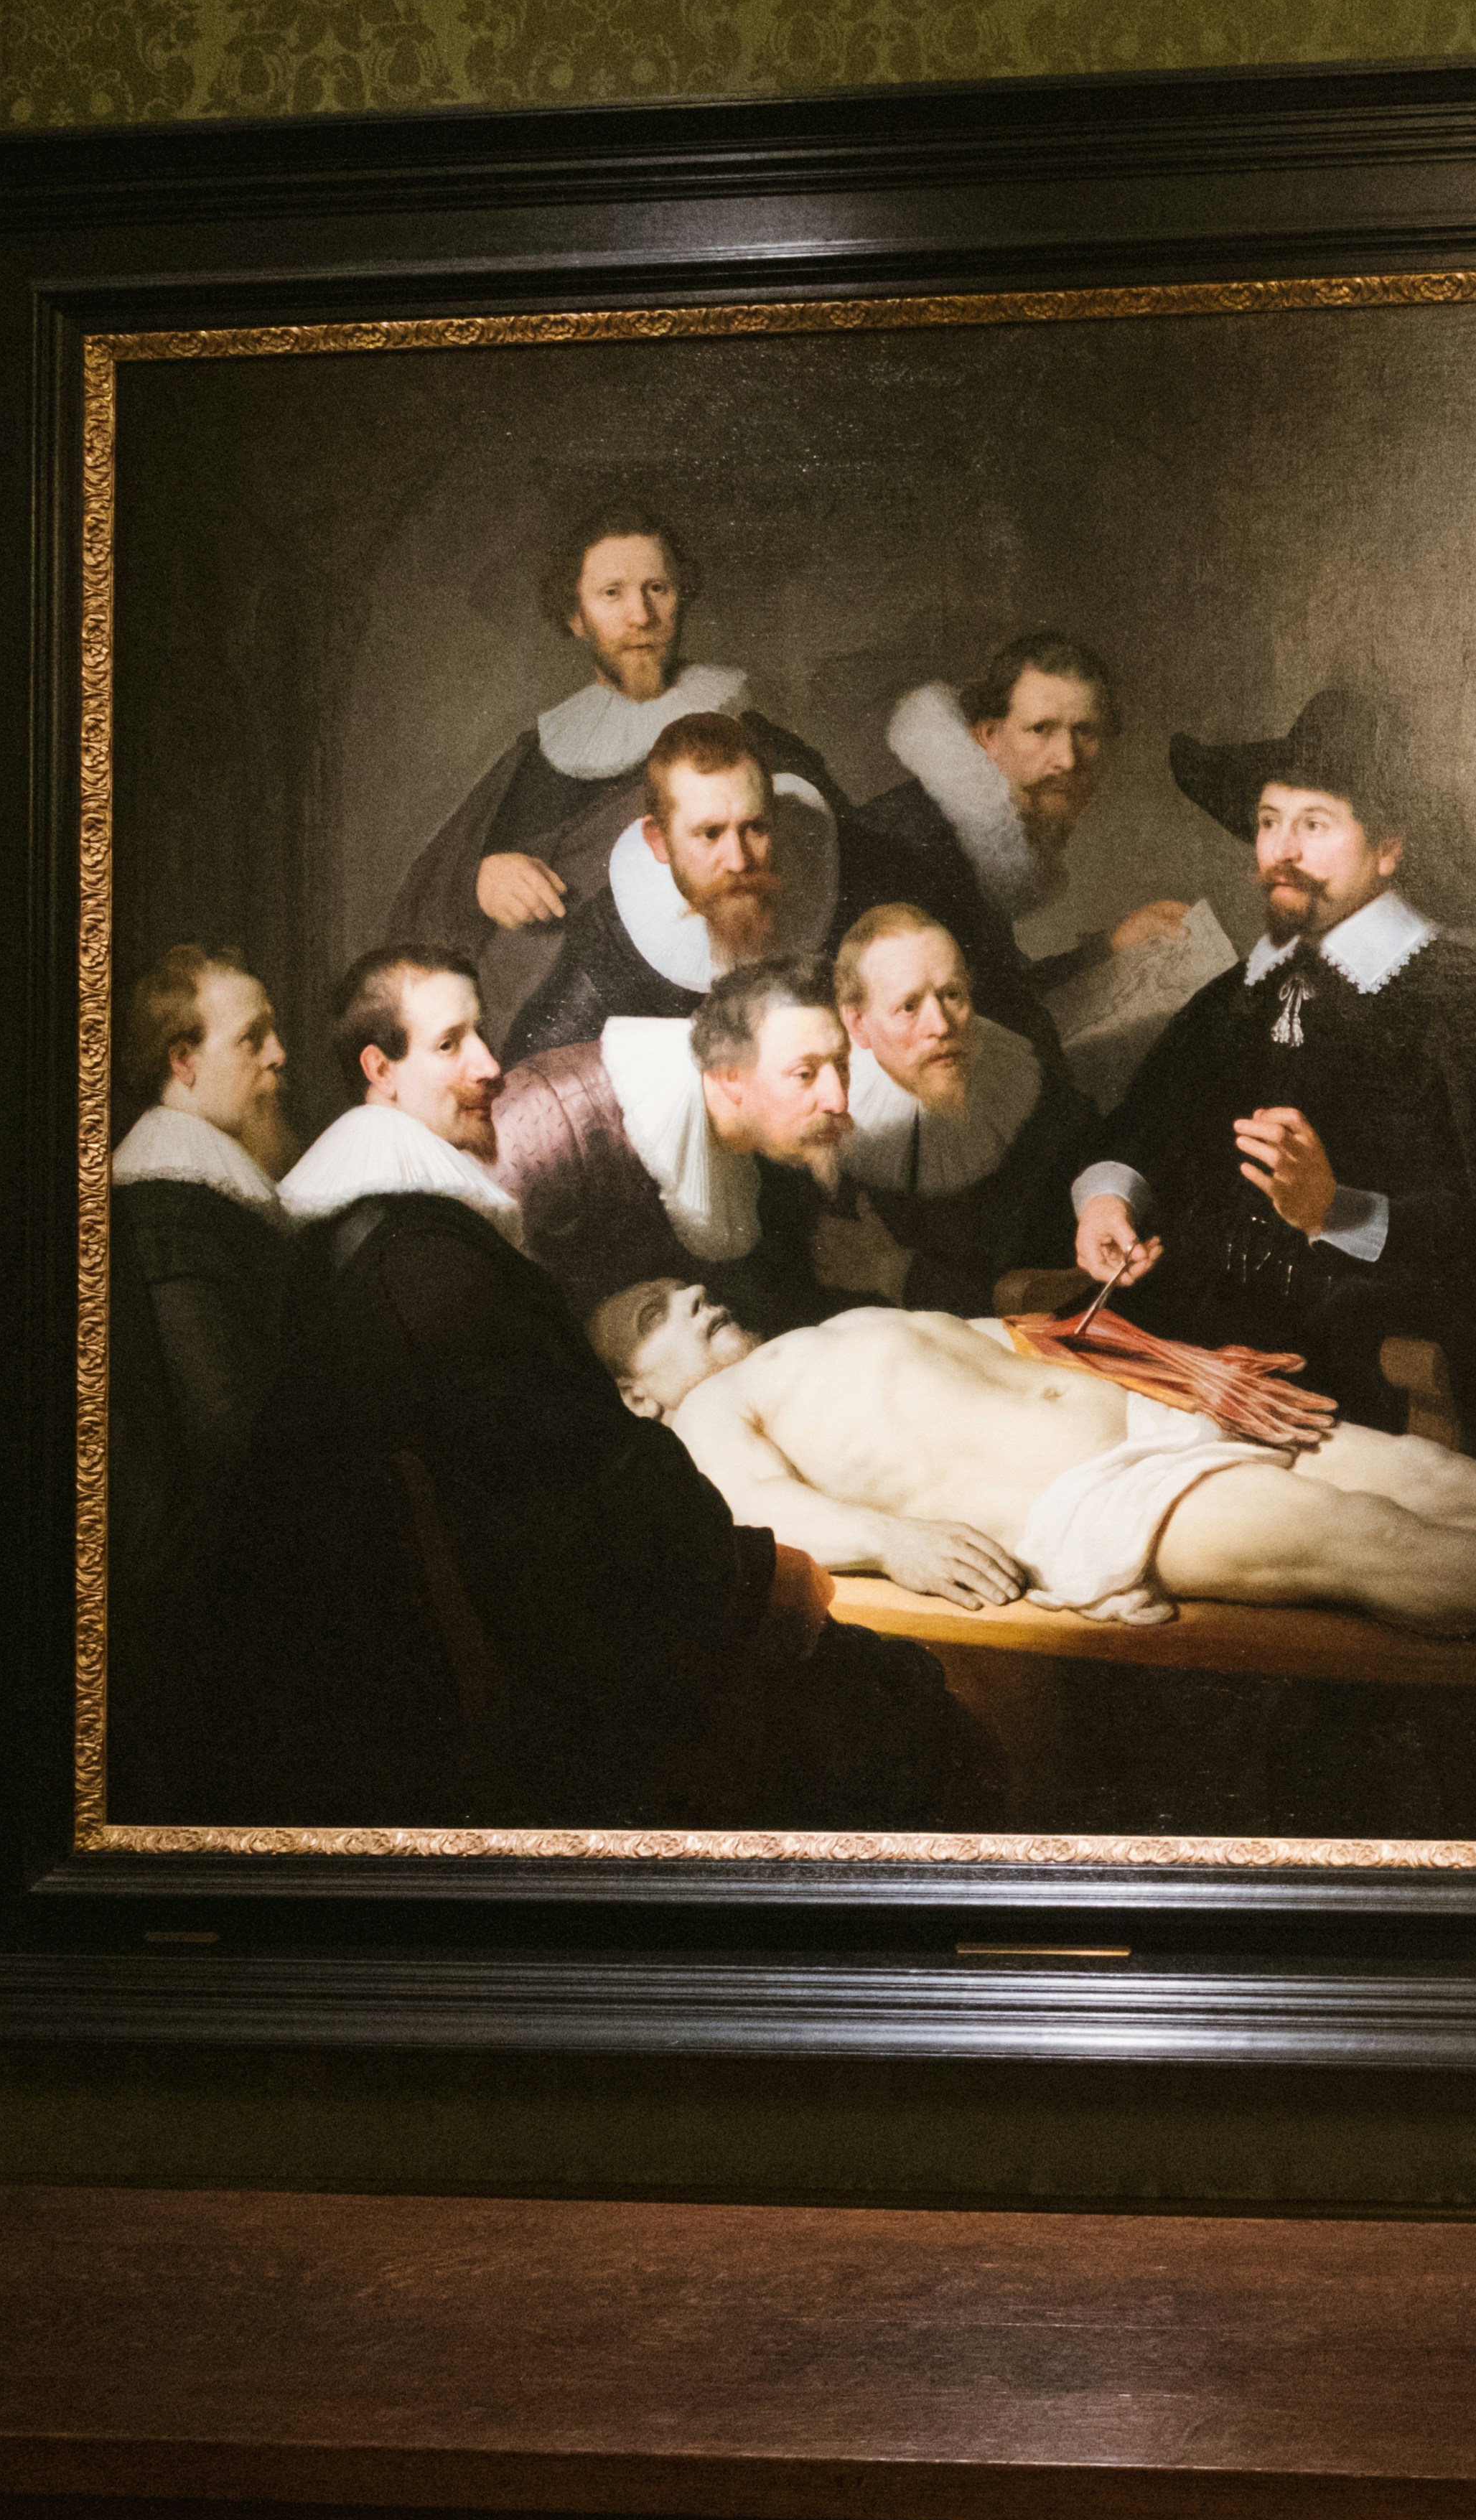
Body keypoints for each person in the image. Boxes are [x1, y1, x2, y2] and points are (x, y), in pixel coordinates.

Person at [137, 948, 967, 1833]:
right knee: (907, 1720)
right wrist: (753, 1576)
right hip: (551, 1693)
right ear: (379, 1073)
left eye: (480, 1035)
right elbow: (583, 1486)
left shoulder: (387, 1238)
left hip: (552, 1641)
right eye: (452, 1044)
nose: (491, 1065)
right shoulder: (422, 1259)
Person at [1065, 687, 1476, 1485]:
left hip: (1371, 1389)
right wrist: (1109, 1200)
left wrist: (1336, 1211)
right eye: (1268, 821)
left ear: (1387, 851)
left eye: (1313, 825)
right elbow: (1141, 1128)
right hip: (1197, 1360)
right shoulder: (1232, 1001)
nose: (1281, 849)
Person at [592, 1277, 1476, 1646]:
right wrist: (895, 1540)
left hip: (1158, 1423)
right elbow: (758, 1509)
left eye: (684, 1284)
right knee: (1361, 1537)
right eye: (656, 1310)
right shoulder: (704, 1419)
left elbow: (1033, 1340)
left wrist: (1183, 1366)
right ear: (638, 1392)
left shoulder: (821, 1334)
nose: (689, 1296)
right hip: (1091, 1504)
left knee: (1436, 1479)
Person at [380, 508, 858, 1031]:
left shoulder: (756, 743)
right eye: (613, 594)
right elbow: (417, 912)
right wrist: (480, 880)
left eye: (658, 588)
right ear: (576, 616)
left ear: (682, 598)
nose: (641, 616)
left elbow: (845, 894)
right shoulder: (536, 757)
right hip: (535, 1031)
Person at [849, 633, 1190, 1071]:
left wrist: (1110, 946)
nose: (1066, 759)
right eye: (1041, 730)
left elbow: (996, 989)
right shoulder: (918, 848)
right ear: (989, 736)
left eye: (1084, 732)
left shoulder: (969, 835)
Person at [489, 954, 864, 1333]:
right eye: (805, 1074)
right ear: (729, 1077)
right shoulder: (551, 1116)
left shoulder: (769, 1152)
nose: (838, 1100)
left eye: (842, 1066)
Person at [106, 945, 299, 1597]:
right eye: (252, 1038)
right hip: (210, 1579)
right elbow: (227, 1441)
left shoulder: (200, 1198)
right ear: (183, 1062)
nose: (277, 1054)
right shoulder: (172, 1209)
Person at [499, 711, 841, 1061]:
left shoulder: (819, 859)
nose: (738, 861)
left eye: (755, 827)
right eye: (710, 834)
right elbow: (526, 1076)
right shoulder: (611, 945)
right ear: (659, 841)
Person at [828, 905, 1093, 1316]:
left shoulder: (1017, 1072)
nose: (941, 1025)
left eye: (952, 995)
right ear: (858, 1025)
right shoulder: (832, 1130)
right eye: (909, 1007)